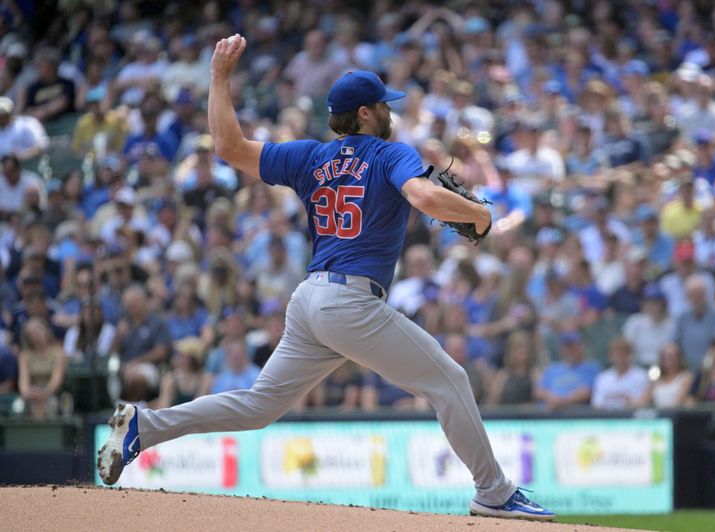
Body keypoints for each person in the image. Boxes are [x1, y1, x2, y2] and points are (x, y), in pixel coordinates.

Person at [98, 38, 553, 521]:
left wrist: (218, 77)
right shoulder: (387, 153)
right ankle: (494, 491)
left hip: (310, 300)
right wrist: (479, 214)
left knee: (257, 406)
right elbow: (422, 196)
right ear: (364, 113)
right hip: (349, 303)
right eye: (382, 104)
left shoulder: (310, 157)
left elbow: (228, 146)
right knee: (451, 381)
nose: (388, 110)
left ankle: (144, 427)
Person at [17, 318, 66, 419]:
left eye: (38, 331)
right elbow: (23, 383)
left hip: (52, 394)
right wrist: (29, 393)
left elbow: (56, 380)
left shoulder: (58, 353)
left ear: (46, 331)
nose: (36, 336)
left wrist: (44, 393)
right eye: (31, 334)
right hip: (32, 394)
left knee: (48, 404)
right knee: (20, 407)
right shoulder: (24, 355)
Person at [591, 337, 649, 410]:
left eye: (623, 353)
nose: (619, 357)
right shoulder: (602, 378)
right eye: (616, 354)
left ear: (630, 355)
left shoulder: (641, 376)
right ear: (610, 356)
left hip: (631, 419)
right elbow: (596, 404)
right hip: (606, 419)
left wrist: (627, 400)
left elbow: (643, 404)